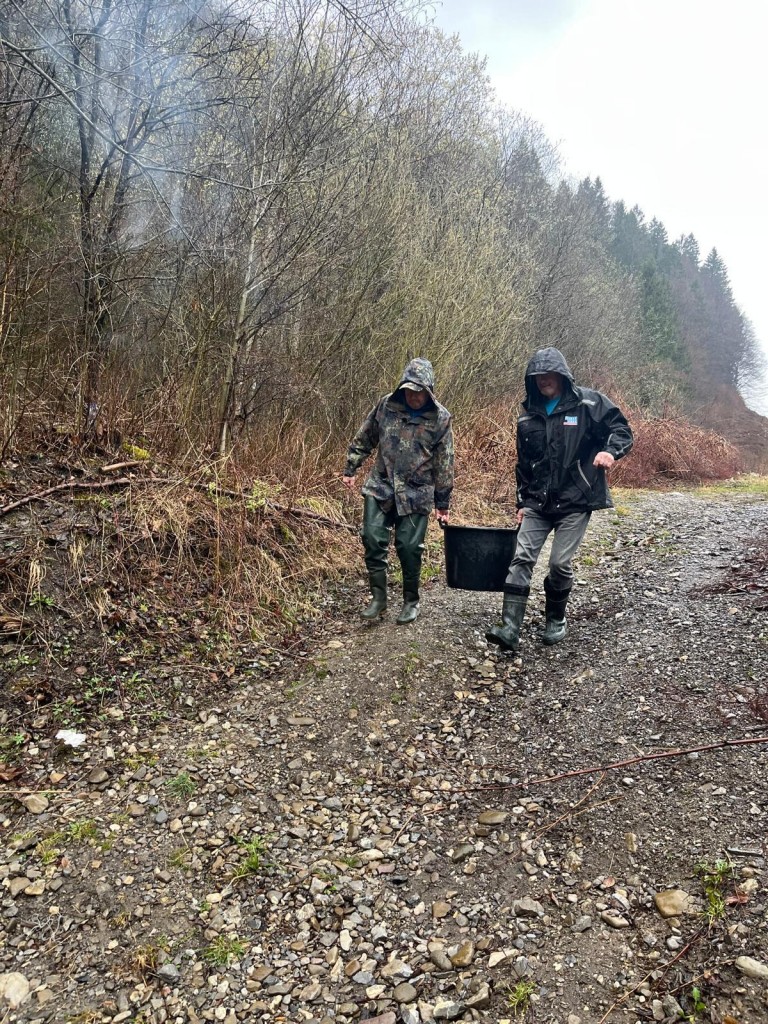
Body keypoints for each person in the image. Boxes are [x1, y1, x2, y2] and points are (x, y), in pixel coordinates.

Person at [486, 347, 633, 652]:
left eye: (549, 374)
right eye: (537, 376)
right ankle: (509, 628)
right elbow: (523, 465)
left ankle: (556, 618)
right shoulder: (528, 416)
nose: (544, 380)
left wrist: (610, 452)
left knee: (559, 563)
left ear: (562, 375)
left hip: (575, 500)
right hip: (537, 503)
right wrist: (521, 503)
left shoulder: (588, 403)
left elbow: (621, 428)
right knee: (521, 559)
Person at [342, 357, 454, 625]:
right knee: (372, 538)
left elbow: (445, 462)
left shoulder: (440, 418)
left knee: (409, 547)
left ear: (428, 392)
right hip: (381, 485)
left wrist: (443, 502)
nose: (413, 396)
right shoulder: (386, 406)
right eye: (408, 390)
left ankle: (411, 601)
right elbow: (366, 436)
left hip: (416, 491)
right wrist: (351, 467)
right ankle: (378, 599)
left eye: (419, 392)